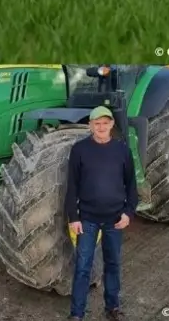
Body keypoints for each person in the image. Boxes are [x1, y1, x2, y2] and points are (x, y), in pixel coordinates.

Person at [66, 106, 138, 321]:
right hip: (87, 218)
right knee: (82, 266)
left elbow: (131, 185)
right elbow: (72, 186)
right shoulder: (79, 149)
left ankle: (112, 308)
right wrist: (74, 217)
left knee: (113, 264)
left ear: (111, 125)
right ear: (90, 125)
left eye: (105, 123)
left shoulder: (122, 150)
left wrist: (128, 213)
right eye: (97, 123)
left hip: (115, 219)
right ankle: (77, 314)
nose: (101, 127)